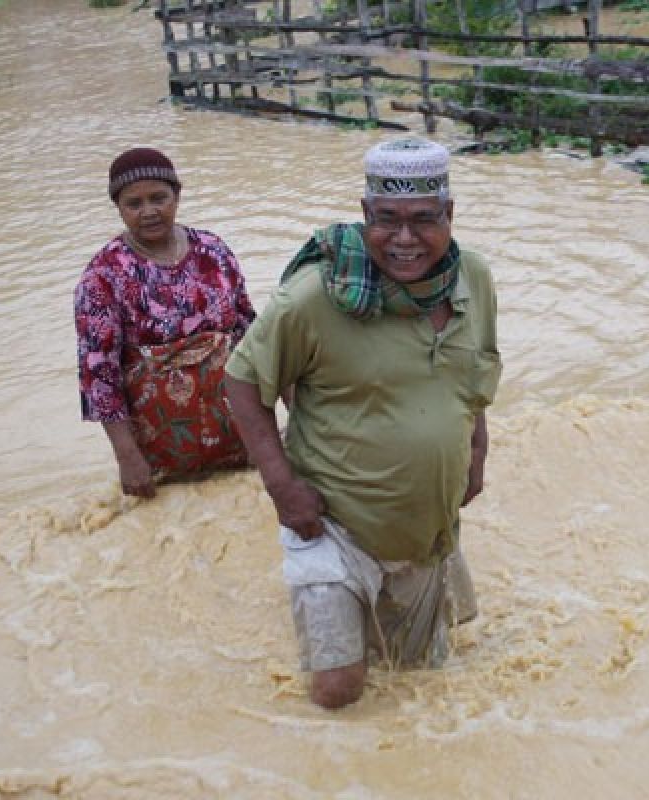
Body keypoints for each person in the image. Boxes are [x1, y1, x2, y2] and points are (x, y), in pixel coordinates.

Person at [224, 137, 501, 709]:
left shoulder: (473, 277)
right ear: (365, 213)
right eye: (387, 221)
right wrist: (281, 486)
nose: (404, 240)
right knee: (338, 691)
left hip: (424, 524)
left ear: (450, 214)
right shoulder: (314, 297)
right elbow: (242, 382)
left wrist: (475, 451)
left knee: (421, 676)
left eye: (424, 220)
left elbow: (473, 374)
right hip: (330, 523)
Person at [74, 147, 256, 498]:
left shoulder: (213, 251)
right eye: (134, 203)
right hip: (159, 447)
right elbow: (99, 374)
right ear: (119, 208)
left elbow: (250, 331)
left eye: (159, 198)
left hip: (236, 428)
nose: (149, 212)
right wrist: (127, 456)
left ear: (177, 195)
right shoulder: (103, 275)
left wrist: (278, 412)